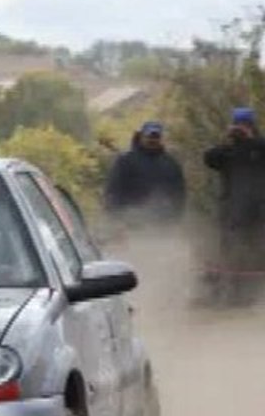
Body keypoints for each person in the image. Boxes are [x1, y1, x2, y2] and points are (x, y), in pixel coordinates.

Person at [201, 107, 265, 304]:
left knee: (258, 252)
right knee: (231, 253)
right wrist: (227, 139)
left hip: (259, 212)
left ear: (252, 126)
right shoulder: (228, 151)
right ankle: (234, 295)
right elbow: (209, 158)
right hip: (232, 213)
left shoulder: (260, 147)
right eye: (238, 124)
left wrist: (250, 139)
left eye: (245, 124)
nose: (241, 128)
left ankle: (257, 295)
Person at [103, 121, 186, 226]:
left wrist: (175, 217)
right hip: (129, 223)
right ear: (141, 137)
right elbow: (113, 190)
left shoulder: (171, 163)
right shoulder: (125, 160)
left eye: (156, 136)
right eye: (149, 136)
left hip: (163, 224)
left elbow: (179, 193)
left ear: (160, 139)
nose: (152, 140)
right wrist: (116, 218)